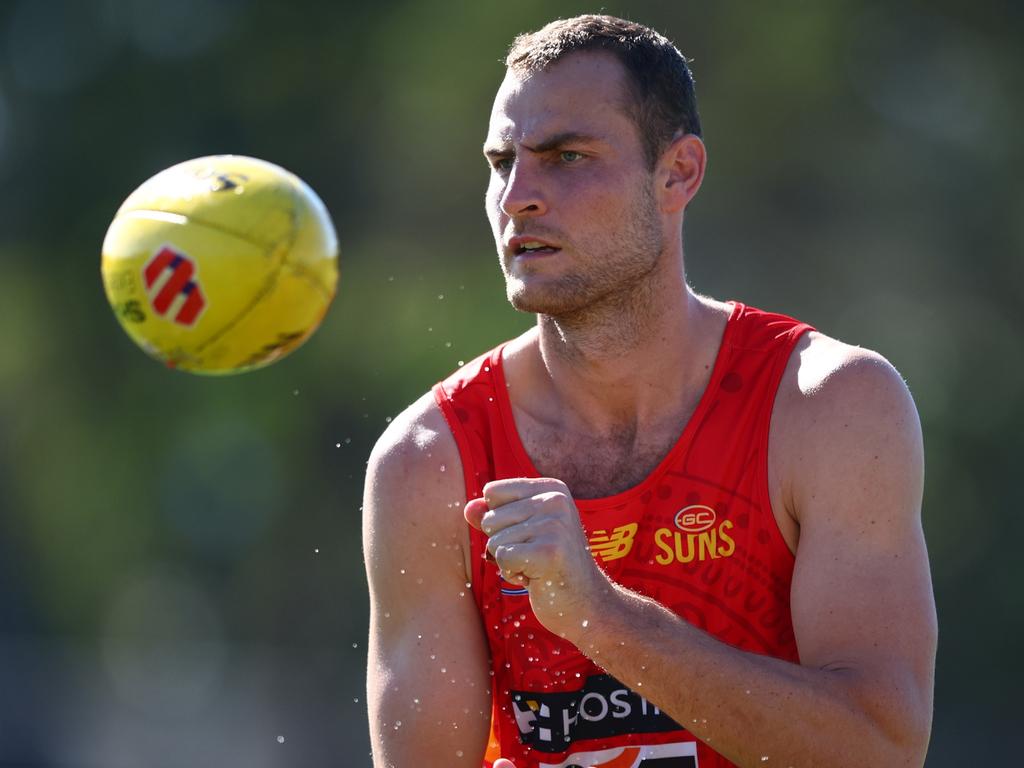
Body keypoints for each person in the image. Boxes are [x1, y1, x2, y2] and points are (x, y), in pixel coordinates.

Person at [363, 14, 936, 768]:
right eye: (501, 162)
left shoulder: (831, 407)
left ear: (678, 173)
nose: (516, 198)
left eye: (565, 156)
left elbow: (880, 750)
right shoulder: (427, 461)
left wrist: (598, 617)